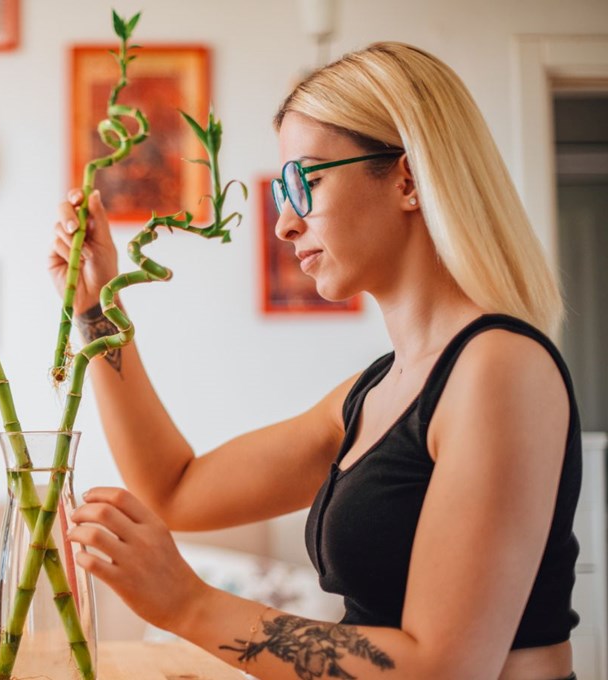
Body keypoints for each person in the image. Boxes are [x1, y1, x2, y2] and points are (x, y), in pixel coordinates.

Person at [51, 42, 581, 680]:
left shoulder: (499, 367)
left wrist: (187, 603)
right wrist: (96, 312)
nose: (284, 224)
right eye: (282, 191)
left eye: (307, 181)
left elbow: (444, 669)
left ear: (408, 180)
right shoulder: (372, 394)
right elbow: (176, 491)